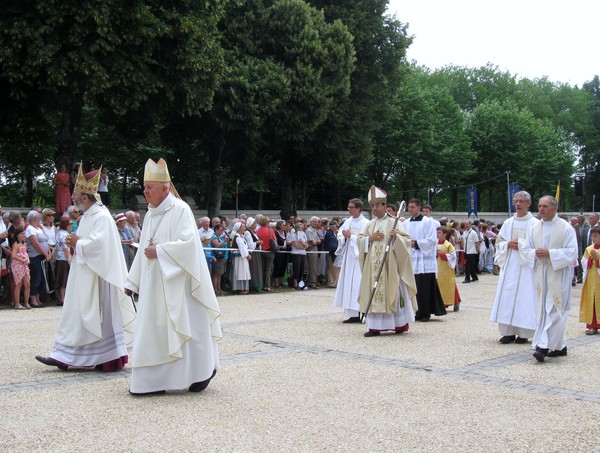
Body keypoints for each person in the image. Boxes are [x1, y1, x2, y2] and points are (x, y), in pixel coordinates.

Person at [125, 158, 221, 395]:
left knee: (188, 329)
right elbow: (143, 249)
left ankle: (202, 371)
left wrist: (160, 251)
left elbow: (189, 244)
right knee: (154, 329)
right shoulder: (150, 213)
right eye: (144, 187)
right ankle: (152, 380)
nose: (145, 191)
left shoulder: (180, 210)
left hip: (178, 284)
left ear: (165, 188)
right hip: (154, 285)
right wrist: (132, 281)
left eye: (149, 187)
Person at [35, 166, 135, 372]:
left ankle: (106, 358)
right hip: (86, 272)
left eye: (76, 194)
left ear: (87, 197)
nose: (72, 197)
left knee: (93, 316)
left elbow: (101, 245)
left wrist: (78, 243)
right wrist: (77, 243)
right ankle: (64, 355)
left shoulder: (101, 216)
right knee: (77, 313)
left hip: (99, 276)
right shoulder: (90, 214)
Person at [521, 195, 577, 362]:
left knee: (556, 309)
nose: (541, 209)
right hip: (541, 274)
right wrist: (535, 254)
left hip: (558, 274)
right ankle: (560, 346)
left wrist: (550, 254)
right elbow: (527, 249)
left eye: (545, 206)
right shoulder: (535, 228)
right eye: (539, 206)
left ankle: (543, 345)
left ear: (555, 208)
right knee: (543, 309)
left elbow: (572, 251)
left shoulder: (565, 227)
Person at [358, 186, 417, 337]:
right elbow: (359, 240)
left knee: (393, 292)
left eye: (377, 205)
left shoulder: (394, 222)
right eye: (372, 206)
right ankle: (375, 327)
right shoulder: (370, 225)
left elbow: (407, 241)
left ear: (385, 206)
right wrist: (369, 239)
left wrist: (396, 237)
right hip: (373, 268)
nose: (374, 209)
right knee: (374, 291)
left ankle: (398, 324)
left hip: (390, 266)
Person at [489, 191, 539, 344]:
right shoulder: (508, 222)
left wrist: (522, 246)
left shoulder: (535, 224)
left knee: (525, 298)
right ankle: (508, 332)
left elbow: (538, 246)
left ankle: (523, 333)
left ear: (529, 203)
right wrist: (507, 244)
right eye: (516, 201)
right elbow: (499, 242)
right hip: (510, 266)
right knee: (507, 296)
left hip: (526, 268)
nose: (518, 204)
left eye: (521, 201)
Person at [403, 198, 446, 321]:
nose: (410, 209)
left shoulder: (428, 222)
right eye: (409, 207)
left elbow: (432, 240)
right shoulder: (405, 223)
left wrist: (415, 243)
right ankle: (414, 312)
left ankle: (425, 313)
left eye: (412, 207)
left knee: (424, 287)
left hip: (424, 260)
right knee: (413, 286)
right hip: (411, 258)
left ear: (419, 207)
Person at [333, 198, 370, 322]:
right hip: (349, 257)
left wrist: (351, 237)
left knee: (358, 284)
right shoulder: (347, 221)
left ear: (359, 208)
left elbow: (367, 239)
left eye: (351, 207)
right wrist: (342, 237)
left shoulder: (366, 223)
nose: (349, 209)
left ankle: (362, 311)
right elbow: (340, 234)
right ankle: (353, 314)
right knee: (349, 283)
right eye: (348, 207)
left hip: (359, 258)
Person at [25, 210, 52, 308]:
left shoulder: (39, 228)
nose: (39, 219)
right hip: (35, 256)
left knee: (41, 278)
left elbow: (45, 241)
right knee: (36, 278)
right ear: (32, 219)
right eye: (37, 218)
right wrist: (45, 254)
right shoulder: (30, 229)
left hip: (42, 256)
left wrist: (49, 253)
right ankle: (33, 299)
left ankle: (38, 298)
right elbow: (35, 244)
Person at [580, 225, 600, 335]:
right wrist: (590, 260)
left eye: (596, 236)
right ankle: (593, 326)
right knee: (592, 302)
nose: (593, 238)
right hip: (591, 280)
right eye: (592, 236)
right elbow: (583, 263)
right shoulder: (589, 249)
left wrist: (598, 259)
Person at [436, 226, 460, 312]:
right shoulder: (435, 244)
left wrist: (443, 255)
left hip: (446, 268)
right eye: (437, 232)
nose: (437, 234)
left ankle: (456, 301)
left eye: (439, 233)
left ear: (445, 234)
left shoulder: (448, 245)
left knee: (450, 284)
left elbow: (453, 256)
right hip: (437, 267)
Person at [53, 216, 72, 306]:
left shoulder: (61, 233)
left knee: (63, 278)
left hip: (61, 258)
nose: (71, 225)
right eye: (70, 224)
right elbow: (66, 249)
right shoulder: (64, 235)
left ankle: (63, 297)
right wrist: (69, 260)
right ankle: (62, 298)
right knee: (63, 279)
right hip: (63, 259)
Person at [10, 227, 30, 309]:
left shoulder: (24, 244)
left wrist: (27, 260)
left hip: (24, 265)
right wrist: (22, 260)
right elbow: (13, 255)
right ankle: (17, 304)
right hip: (18, 265)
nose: (24, 235)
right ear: (17, 235)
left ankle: (26, 303)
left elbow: (26, 253)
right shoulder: (15, 244)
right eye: (22, 234)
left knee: (27, 284)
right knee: (18, 283)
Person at [230, 222, 252, 295]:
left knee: (243, 272)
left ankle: (243, 288)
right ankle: (240, 288)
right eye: (243, 227)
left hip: (242, 257)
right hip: (240, 257)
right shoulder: (238, 237)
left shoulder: (241, 236)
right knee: (240, 272)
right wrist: (247, 255)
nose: (244, 228)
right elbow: (242, 248)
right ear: (239, 228)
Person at [305, 216, 321, 289]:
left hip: (315, 249)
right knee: (312, 266)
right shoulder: (309, 231)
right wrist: (316, 241)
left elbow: (319, 241)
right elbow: (313, 242)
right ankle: (312, 282)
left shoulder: (314, 231)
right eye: (314, 221)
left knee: (315, 266)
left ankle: (314, 281)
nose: (316, 223)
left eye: (317, 222)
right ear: (310, 222)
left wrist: (317, 241)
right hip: (311, 249)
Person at [323, 220, 339, 288]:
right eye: (336, 226)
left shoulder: (334, 233)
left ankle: (334, 282)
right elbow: (331, 244)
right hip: (330, 252)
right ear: (333, 227)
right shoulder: (329, 233)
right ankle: (331, 282)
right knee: (331, 268)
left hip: (334, 253)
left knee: (334, 267)